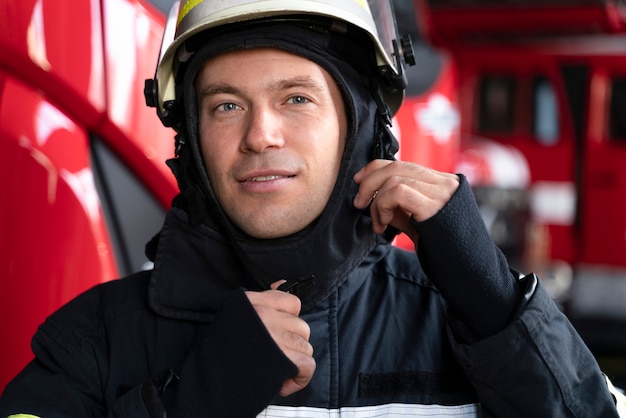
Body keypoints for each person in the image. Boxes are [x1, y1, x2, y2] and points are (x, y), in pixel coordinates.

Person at [1, 0, 625, 416]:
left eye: (296, 98)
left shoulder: (464, 323)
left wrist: (500, 311)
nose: (261, 135)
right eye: (225, 105)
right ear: (190, 140)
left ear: (359, 129)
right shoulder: (97, 339)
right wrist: (186, 403)